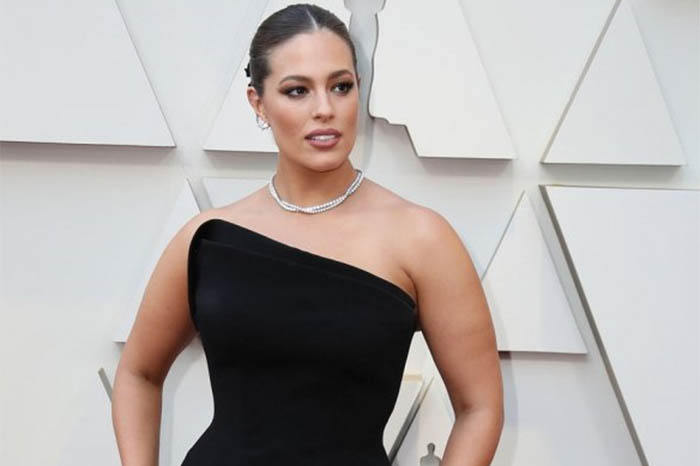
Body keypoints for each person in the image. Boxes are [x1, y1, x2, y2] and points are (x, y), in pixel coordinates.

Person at [111, 3, 503, 465]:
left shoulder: (422, 238)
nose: (324, 109)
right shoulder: (208, 238)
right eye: (297, 91)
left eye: (341, 86)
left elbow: (480, 408)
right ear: (258, 103)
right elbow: (138, 373)